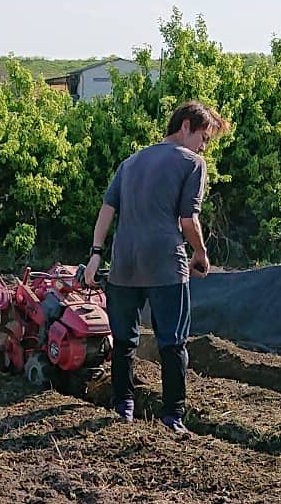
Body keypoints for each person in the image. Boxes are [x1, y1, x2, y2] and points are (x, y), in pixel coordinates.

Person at [84, 100, 230, 437]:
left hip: (124, 262)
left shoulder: (131, 161)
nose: (203, 146)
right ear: (186, 127)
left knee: (123, 340)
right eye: (204, 137)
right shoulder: (193, 163)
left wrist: (96, 253)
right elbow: (187, 219)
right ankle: (173, 416)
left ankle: (124, 406)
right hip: (165, 261)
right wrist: (201, 253)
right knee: (173, 342)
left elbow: (107, 210)